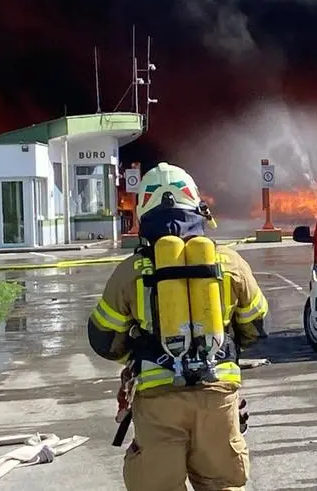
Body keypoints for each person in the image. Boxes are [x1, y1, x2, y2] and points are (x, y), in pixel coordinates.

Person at [86, 163, 269, 491]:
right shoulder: (230, 263)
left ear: (143, 213)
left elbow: (103, 338)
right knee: (223, 484)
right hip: (216, 395)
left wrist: (140, 353)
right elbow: (255, 325)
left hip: (158, 401)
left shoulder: (130, 271)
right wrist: (220, 345)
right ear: (198, 208)